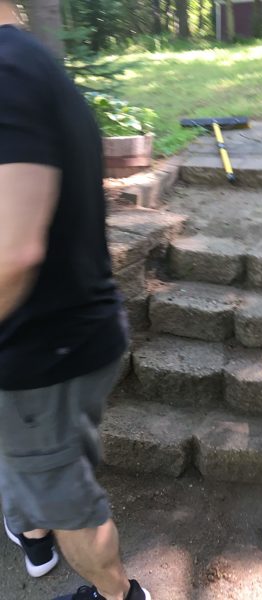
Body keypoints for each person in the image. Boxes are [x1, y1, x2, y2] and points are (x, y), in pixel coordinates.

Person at [0, 3, 151, 599]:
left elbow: (14, 254)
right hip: (55, 340)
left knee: (72, 504)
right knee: (40, 474)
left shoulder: (8, 74)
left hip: (42, 358)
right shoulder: (28, 66)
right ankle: (34, 532)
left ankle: (118, 595)